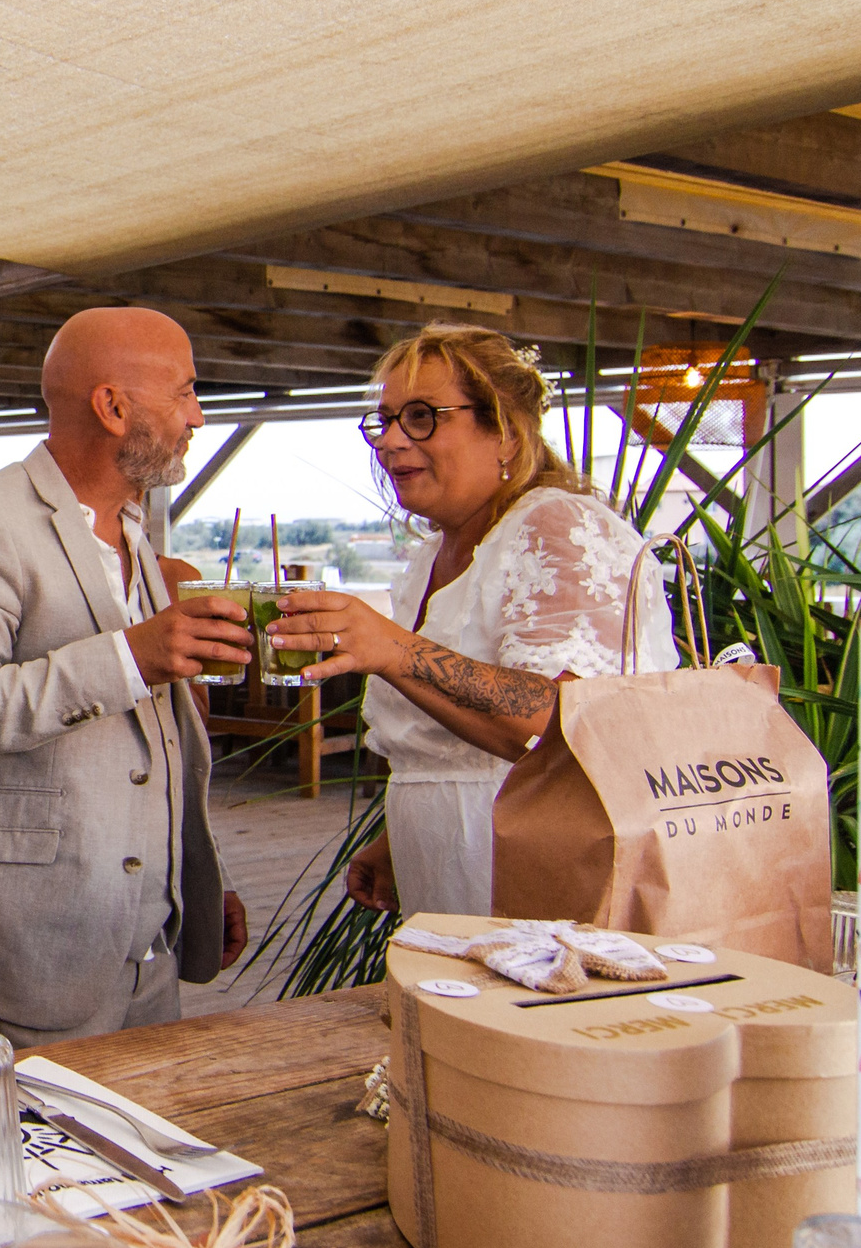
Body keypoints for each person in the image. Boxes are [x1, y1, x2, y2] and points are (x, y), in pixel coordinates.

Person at [0, 308, 252, 1046]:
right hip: (30, 951)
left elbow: (145, 748)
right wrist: (131, 657)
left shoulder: (134, 532)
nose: (198, 414)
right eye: (184, 391)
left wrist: (190, 879)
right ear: (114, 407)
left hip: (148, 950)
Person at [268, 323, 675, 916]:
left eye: (423, 416)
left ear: (506, 433)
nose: (391, 442)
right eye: (385, 420)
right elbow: (454, 749)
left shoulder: (557, 528)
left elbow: (561, 721)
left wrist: (391, 649)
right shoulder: (434, 555)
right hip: (447, 867)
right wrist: (398, 836)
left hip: (533, 871)